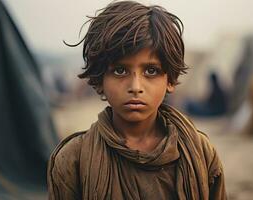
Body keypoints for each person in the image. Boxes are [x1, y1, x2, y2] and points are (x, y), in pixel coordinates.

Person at [47, 1, 227, 199]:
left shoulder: (200, 152)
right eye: (120, 70)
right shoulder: (74, 158)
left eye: (151, 71)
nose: (135, 87)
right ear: (99, 80)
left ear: (170, 80)